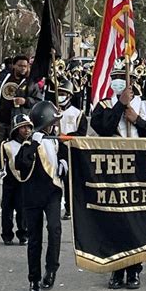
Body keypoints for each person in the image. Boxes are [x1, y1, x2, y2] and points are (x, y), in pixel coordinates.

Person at [91, 60, 146, 290]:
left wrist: (138, 121)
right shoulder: (103, 105)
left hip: (140, 170)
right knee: (114, 221)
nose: (118, 80)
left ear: (133, 81)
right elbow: (101, 128)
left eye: (123, 77)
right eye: (114, 76)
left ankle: (134, 270)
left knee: (137, 221)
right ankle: (116, 269)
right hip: (112, 171)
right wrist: (119, 106)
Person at [15, 101, 68, 291]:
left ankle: (51, 268)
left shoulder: (53, 138)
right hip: (32, 196)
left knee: (54, 229)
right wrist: (34, 142)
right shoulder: (31, 142)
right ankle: (34, 279)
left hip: (52, 193)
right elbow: (21, 163)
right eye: (52, 121)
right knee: (35, 239)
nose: (54, 125)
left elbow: (62, 152)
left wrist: (63, 160)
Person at [0, 55, 42, 184]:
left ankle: (17, 174)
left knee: (17, 148)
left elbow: (38, 101)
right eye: (20, 65)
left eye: (25, 66)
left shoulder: (30, 82)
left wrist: (26, 101)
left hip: (17, 122)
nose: (23, 68)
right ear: (14, 65)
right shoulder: (3, 77)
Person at [54, 78, 88, 219]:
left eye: (64, 93)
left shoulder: (77, 113)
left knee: (69, 182)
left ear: (69, 95)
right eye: (59, 93)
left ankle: (69, 208)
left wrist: (66, 137)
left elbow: (81, 134)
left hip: (69, 150)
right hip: (53, 149)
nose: (61, 95)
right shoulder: (52, 111)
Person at [0, 113, 33, 246]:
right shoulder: (6, 145)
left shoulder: (31, 145)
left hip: (24, 181)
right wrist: (1, 169)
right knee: (6, 209)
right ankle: (7, 235)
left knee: (22, 209)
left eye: (29, 127)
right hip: (9, 182)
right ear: (16, 129)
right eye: (23, 127)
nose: (27, 130)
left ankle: (23, 234)